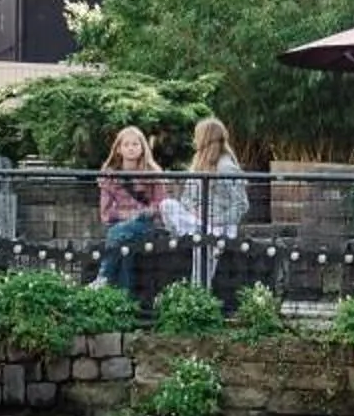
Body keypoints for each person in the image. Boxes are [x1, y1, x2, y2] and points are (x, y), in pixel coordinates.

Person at [95, 124, 166, 296]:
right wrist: (124, 214)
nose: (131, 148)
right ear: (118, 149)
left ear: (143, 147)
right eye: (126, 145)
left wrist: (145, 212)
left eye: (135, 144)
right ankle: (125, 300)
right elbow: (105, 214)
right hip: (119, 225)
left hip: (145, 225)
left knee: (119, 234)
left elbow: (162, 204)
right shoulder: (110, 175)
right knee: (123, 245)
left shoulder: (153, 172)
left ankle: (103, 277)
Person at [180, 116, 249, 288]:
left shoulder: (226, 167)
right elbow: (186, 198)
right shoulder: (196, 165)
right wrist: (194, 209)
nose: (194, 140)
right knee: (167, 206)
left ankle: (199, 294)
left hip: (221, 224)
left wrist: (215, 219)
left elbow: (241, 205)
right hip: (199, 220)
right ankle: (197, 293)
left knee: (204, 248)